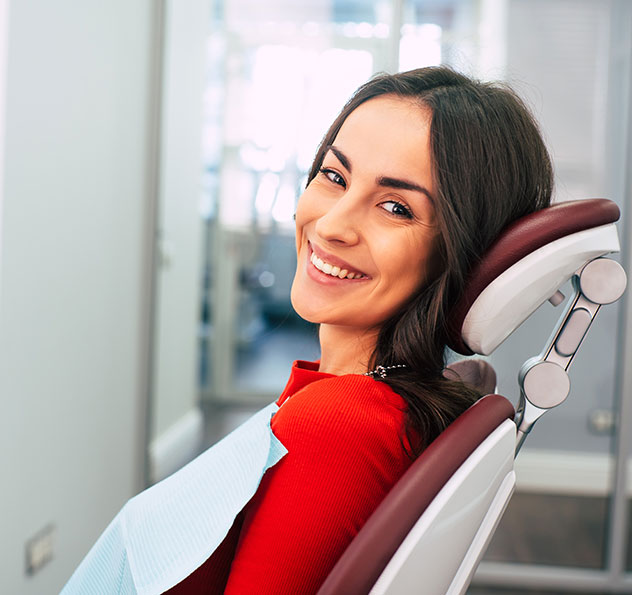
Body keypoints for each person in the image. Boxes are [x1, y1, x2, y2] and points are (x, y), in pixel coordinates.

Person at [63, 66, 553, 594]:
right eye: (334, 176)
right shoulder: (364, 403)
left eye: (396, 207)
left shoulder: (339, 427)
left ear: (464, 253)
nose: (332, 225)